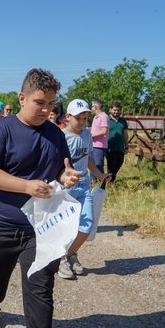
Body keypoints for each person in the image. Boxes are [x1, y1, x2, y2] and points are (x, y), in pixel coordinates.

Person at [0, 68, 81, 328]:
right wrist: (25, 186)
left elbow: (61, 168)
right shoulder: (3, 130)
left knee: (39, 290)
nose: (47, 110)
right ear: (22, 98)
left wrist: (67, 175)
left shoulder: (55, 133)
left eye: (51, 104)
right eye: (40, 103)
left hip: (40, 227)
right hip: (1, 224)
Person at [57, 99, 111, 280]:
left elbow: (88, 158)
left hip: (84, 186)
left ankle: (71, 253)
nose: (82, 122)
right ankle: (61, 259)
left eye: (85, 118)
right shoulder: (61, 137)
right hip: (66, 188)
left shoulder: (87, 134)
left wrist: (100, 174)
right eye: (78, 118)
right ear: (68, 117)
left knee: (87, 226)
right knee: (65, 227)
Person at [106, 102, 129, 182]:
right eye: (114, 110)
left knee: (119, 163)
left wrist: (126, 146)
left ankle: (110, 178)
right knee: (111, 165)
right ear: (110, 110)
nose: (116, 112)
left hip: (120, 147)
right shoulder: (107, 120)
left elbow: (125, 134)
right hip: (109, 147)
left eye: (118, 110)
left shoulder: (123, 121)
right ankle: (110, 181)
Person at [90, 99, 109, 176]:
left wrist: (91, 135)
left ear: (96, 107)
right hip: (93, 144)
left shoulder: (104, 117)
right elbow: (95, 129)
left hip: (99, 145)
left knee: (98, 165)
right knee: (92, 164)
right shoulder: (96, 117)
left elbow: (104, 131)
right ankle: (92, 181)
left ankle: (102, 181)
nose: (91, 108)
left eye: (92, 106)